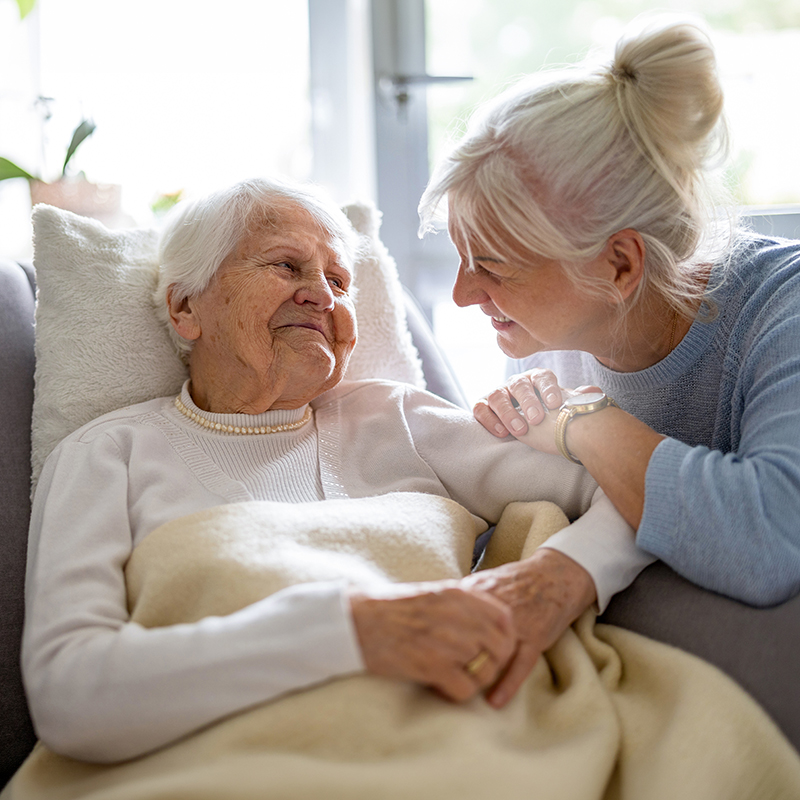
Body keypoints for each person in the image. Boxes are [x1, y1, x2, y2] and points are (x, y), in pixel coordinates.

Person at [22, 177, 652, 765]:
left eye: (340, 281)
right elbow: (68, 693)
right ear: (186, 308)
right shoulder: (106, 455)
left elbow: (634, 496)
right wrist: (348, 633)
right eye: (285, 266)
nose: (322, 296)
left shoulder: (396, 417)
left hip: (459, 747)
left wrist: (562, 577)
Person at [418, 16, 800, 608]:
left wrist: (582, 423)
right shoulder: (542, 333)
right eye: (461, 258)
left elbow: (771, 541)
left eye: (492, 266)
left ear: (619, 265)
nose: (463, 295)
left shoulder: (784, 309)